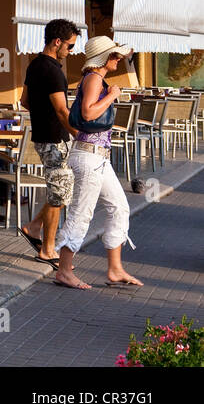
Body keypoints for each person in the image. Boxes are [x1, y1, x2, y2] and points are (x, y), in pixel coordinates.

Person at [53, 37, 143, 289]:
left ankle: (115, 269)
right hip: (88, 156)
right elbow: (88, 113)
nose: (118, 60)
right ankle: (64, 271)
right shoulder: (93, 78)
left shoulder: (96, 78)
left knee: (120, 207)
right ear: (102, 58)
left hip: (98, 158)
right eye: (114, 56)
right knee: (82, 214)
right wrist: (112, 95)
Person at [19, 19, 80, 266]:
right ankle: (47, 249)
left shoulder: (34, 65)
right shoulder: (54, 71)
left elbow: (24, 100)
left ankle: (33, 228)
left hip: (42, 137)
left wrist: (42, 114)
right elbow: (62, 111)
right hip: (56, 139)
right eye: (70, 46)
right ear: (57, 42)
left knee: (61, 190)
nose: (71, 51)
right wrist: (80, 134)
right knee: (58, 195)